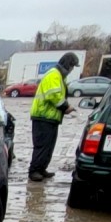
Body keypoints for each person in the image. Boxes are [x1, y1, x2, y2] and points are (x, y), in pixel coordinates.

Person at [27, 52, 80, 182]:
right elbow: (54, 96)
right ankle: (34, 171)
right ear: (68, 65)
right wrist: (66, 107)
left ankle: (41, 168)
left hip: (50, 117)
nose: (72, 69)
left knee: (48, 146)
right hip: (43, 116)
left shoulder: (59, 76)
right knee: (42, 146)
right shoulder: (54, 75)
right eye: (72, 66)